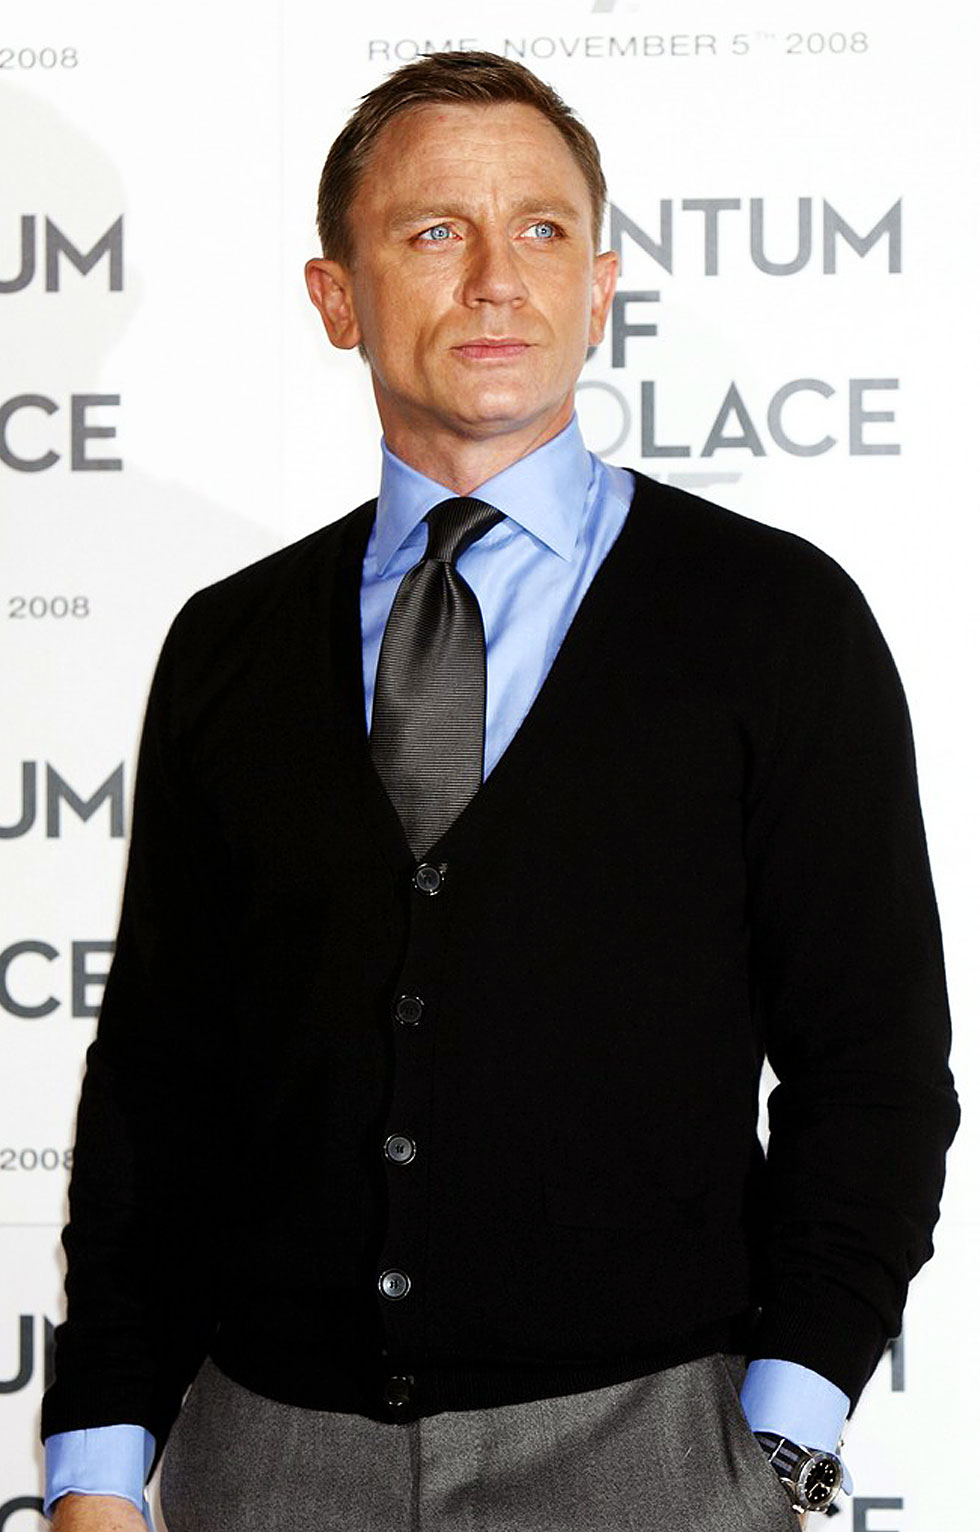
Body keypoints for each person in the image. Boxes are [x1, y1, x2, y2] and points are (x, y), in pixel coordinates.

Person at [41, 50, 958, 1532]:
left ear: (600, 288)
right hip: (265, 1457)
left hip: (651, 1454)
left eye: (541, 229)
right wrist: (96, 1460)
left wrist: (779, 1434)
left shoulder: (775, 621)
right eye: (433, 231)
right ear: (336, 297)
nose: (494, 279)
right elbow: (156, 1084)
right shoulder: (229, 642)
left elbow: (875, 1065)